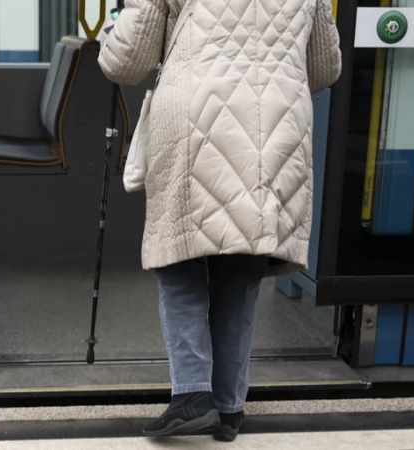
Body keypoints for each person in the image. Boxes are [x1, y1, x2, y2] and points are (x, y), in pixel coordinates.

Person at [98, 0, 341, 441]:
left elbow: (126, 61)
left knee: (180, 257)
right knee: (241, 264)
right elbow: (324, 68)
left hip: (198, 117)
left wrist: (109, 34)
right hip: (278, 125)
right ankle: (228, 407)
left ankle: (192, 394)